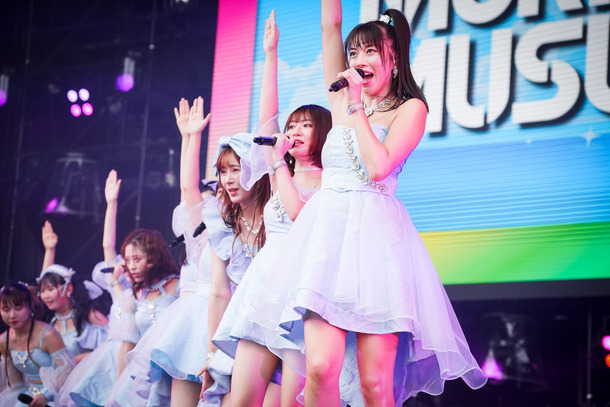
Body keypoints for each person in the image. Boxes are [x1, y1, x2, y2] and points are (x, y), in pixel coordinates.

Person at [248, 2, 488, 406]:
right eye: (354, 52)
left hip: (377, 244)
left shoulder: (410, 109)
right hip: (327, 238)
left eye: (370, 51)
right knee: (319, 368)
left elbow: (378, 167)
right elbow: (330, 25)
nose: (359, 60)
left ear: (394, 57)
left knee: (375, 385)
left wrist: (357, 106)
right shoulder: (341, 96)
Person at [211, 10, 331, 407]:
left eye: (305, 125)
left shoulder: (332, 182)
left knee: (290, 403)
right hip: (264, 288)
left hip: (303, 293)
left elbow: (299, 214)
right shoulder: (279, 170)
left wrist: (279, 164)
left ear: (324, 134)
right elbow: (267, 121)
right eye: (291, 126)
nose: (293, 131)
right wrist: (270, 54)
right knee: (242, 398)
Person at [123, 98, 217, 407]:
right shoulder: (202, 238)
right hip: (193, 326)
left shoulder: (242, 231)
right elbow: (188, 189)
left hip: (226, 324)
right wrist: (191, 137)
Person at [198, 124, 272, 406]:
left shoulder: (278, 215)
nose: (227, 180)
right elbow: (219, 292)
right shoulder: (222, 223)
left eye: (236, 170)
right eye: (222, 171)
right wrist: (211, 354)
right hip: (242, 328)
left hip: (279, 324)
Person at [105, 227, 180, 407]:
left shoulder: (180, 286)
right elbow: (128, 343)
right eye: (127, 260)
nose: (131, 266)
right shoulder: (133, 295)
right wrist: (118, 389)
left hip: (177, 367)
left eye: (137, 259)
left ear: (155, 257)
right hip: (146, 374)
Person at [0, 282, 75, 407]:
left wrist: (44, 395)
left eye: (18, 308)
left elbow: (68, 370)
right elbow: (16, 384)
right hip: (30, 395)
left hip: (57, 394)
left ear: (29, 307)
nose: (12, 315)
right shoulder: (4, 340)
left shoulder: (48, 335)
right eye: (6, 309)